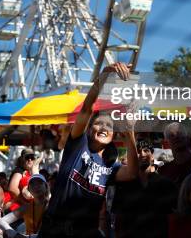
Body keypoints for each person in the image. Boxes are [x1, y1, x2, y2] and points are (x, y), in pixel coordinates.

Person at [38, 63, 138, 238]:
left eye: (109, 125)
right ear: (89, 129)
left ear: (113, 135)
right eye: (99, 123)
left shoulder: (111, 167)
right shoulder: (78, 145)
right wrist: (103, 77)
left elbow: (132, 173)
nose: (104, 127)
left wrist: (130, 131)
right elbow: (87, 108)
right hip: (55, 229)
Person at [112, 139, 177, 238]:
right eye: (138, 151)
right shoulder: (123, 185)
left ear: (152, 155)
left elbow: (172, 216)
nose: (142, 154)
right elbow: (118, 218)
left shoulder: (165, 184)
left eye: (146, 150)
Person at [158, 122, 191, 188]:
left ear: (187, 138)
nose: (176, 137)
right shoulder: (164, 171)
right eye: (171, 135)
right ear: (166, 143)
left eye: (180, 133)